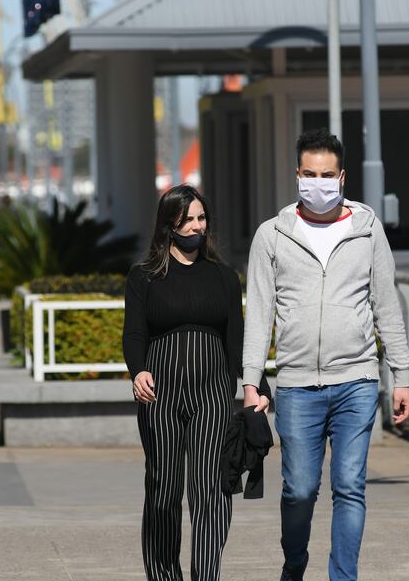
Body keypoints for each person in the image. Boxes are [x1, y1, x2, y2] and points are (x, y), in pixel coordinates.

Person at [242, 128, 409, 581]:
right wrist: (250, 383)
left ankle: (343, 576)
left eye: (326, 175)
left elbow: (385, 304)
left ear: (342, 178)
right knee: (299, 490)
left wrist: (402, 375)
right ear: (297, 174)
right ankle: (295, 564)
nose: (317, 183)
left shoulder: (366, 229)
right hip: (297, 385)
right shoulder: (272, 236)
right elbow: (259, 316)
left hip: (356, 380)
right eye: (308, 174)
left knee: (350, 487)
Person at [123, 184, 272, 581]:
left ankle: (205, 575)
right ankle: (163, 575)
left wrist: (256, 387)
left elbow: (237, 338)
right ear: (168, 223)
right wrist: (137, 370)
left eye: (201, 218)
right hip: (161, 394)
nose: (195, 226)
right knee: (163, 489)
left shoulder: (223, 277)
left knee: (211, 489)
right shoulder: (143, 276)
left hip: (212, 392)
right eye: (186, 219)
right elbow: (134, 333)